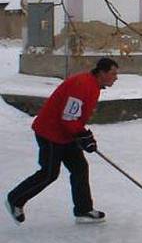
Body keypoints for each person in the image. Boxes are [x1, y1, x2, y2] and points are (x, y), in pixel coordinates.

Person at [5, 57, 119, 225]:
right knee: (49, 173)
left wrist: (83, 135)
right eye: (113, 73)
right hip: (50, 132)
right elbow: (68, 117)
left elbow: (73, 117)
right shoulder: (82, 85)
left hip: (66, 133)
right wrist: (82, 135)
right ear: (102, 72)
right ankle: (15, 199)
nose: (116, 77)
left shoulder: (93, 85)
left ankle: (83, 210)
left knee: (79, 167)